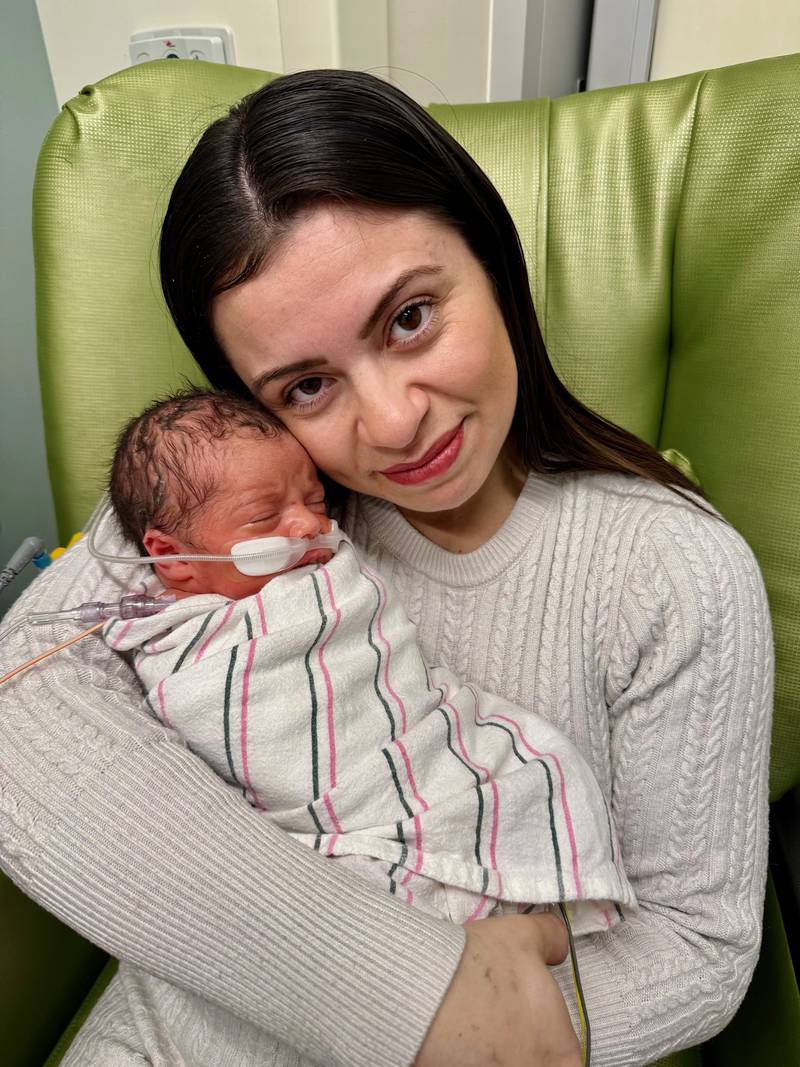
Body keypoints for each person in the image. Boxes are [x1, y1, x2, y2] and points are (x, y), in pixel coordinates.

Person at [0, 68, 773, 1067]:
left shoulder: (670, 574)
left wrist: (469, 1030)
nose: (393, 420)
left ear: (489, 257)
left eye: (408, 318)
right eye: (307, 383)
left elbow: (697, 946)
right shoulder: (222, 507)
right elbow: (17, 690)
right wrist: (394, 985)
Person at [102, 386, 635, 938]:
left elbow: (379, 669)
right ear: (170, 557)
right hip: (308, 835)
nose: (308, 526)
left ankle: (506, 913)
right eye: (263, 517)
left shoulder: (328, 576)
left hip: (416, 762)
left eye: (314, 501)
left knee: (530, 767)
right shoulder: (174, 636)